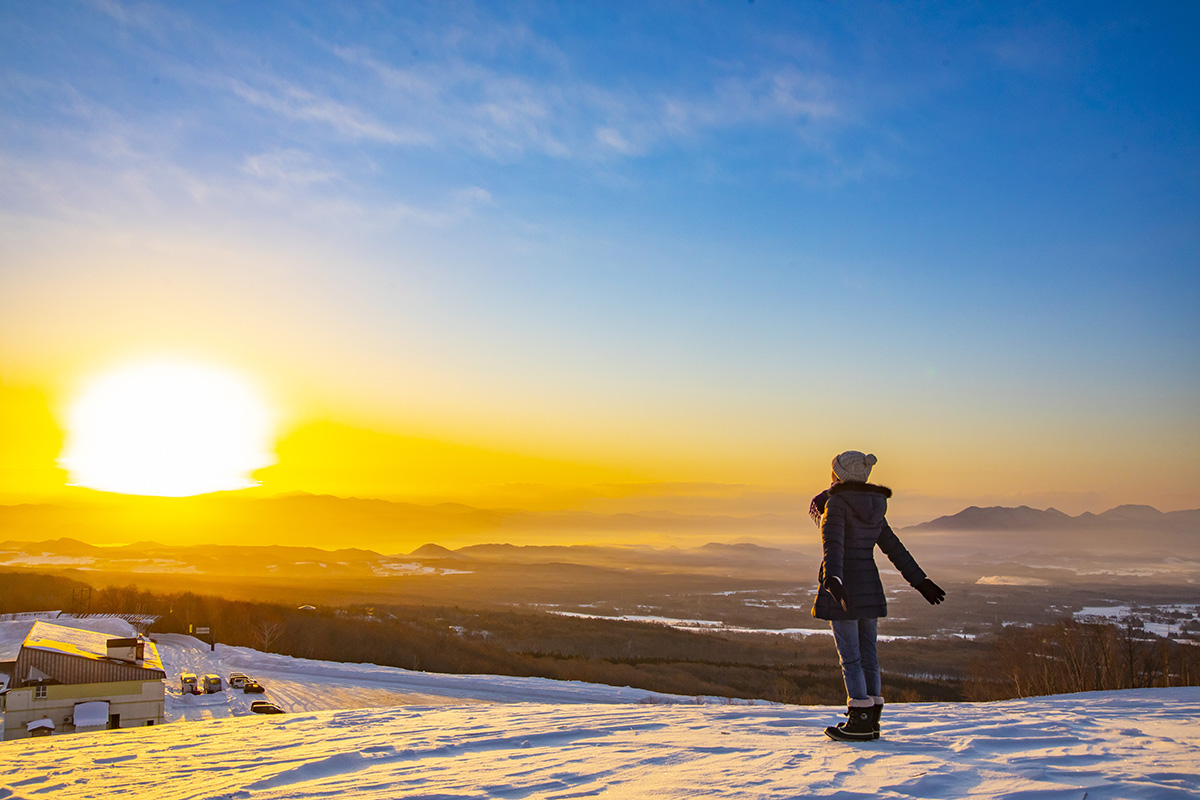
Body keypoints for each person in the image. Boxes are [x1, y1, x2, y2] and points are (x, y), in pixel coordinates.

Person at [810, 450, 945, 742]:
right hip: (869, 586)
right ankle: (871, 720)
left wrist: (833, 579)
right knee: (869, 655)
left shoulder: (836, 504)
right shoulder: (874, 505)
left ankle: (858, 718)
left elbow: (832, 545)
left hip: (844, 587)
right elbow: (894, 547)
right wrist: (920, 581)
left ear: (839, 475)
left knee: (851, 658)